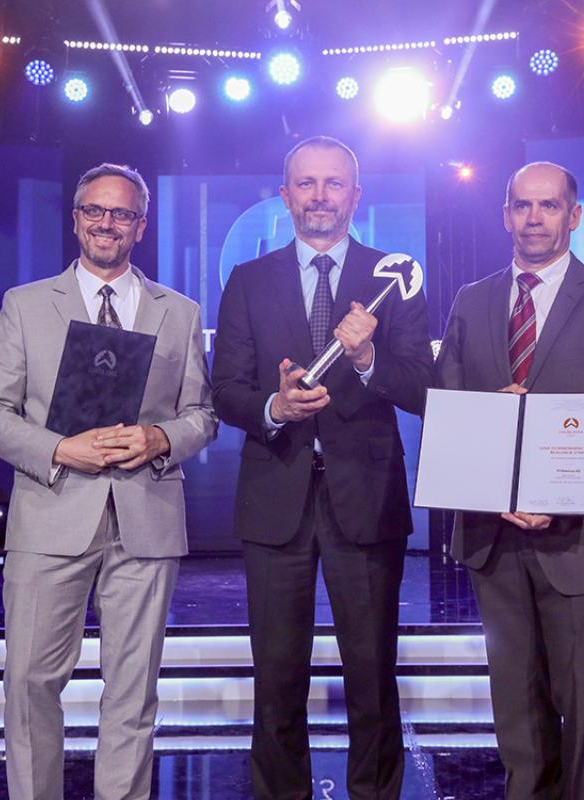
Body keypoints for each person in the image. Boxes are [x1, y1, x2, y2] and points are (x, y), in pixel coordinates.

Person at [0, 163, 217, 800]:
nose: (108, 223)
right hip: (50, 514)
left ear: (141, 225)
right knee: (30, 684)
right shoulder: (26, 305)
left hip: (145, 517)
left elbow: (202, 415)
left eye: (122, 213)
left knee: (133, 691)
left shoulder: (180, 312)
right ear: (77, 219)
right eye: (95, 211)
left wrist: (160, 439)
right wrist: (58, 448)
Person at [210, 136, 433, 799]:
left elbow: (423, 387)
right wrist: (275, 406)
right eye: (306, 184)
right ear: (285, 197)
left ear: (355, 196)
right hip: (274, 499)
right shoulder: (249, 280)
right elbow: (226, 390)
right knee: (277, 680)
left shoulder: (393, 277)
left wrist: (367, 361)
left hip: (366, 499)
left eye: (333, 184)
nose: (319, 196)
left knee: (372, 676)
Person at [435, 162, 584, 798]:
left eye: (549, 205)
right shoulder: (472, 301)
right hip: (495, 535)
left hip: (583, 541)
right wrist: (492, 444)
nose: (534, 218)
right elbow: (450, 407)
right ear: (505, 215)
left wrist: (555, 497)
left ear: (573, 215)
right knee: (517, 716)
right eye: (522, 205)